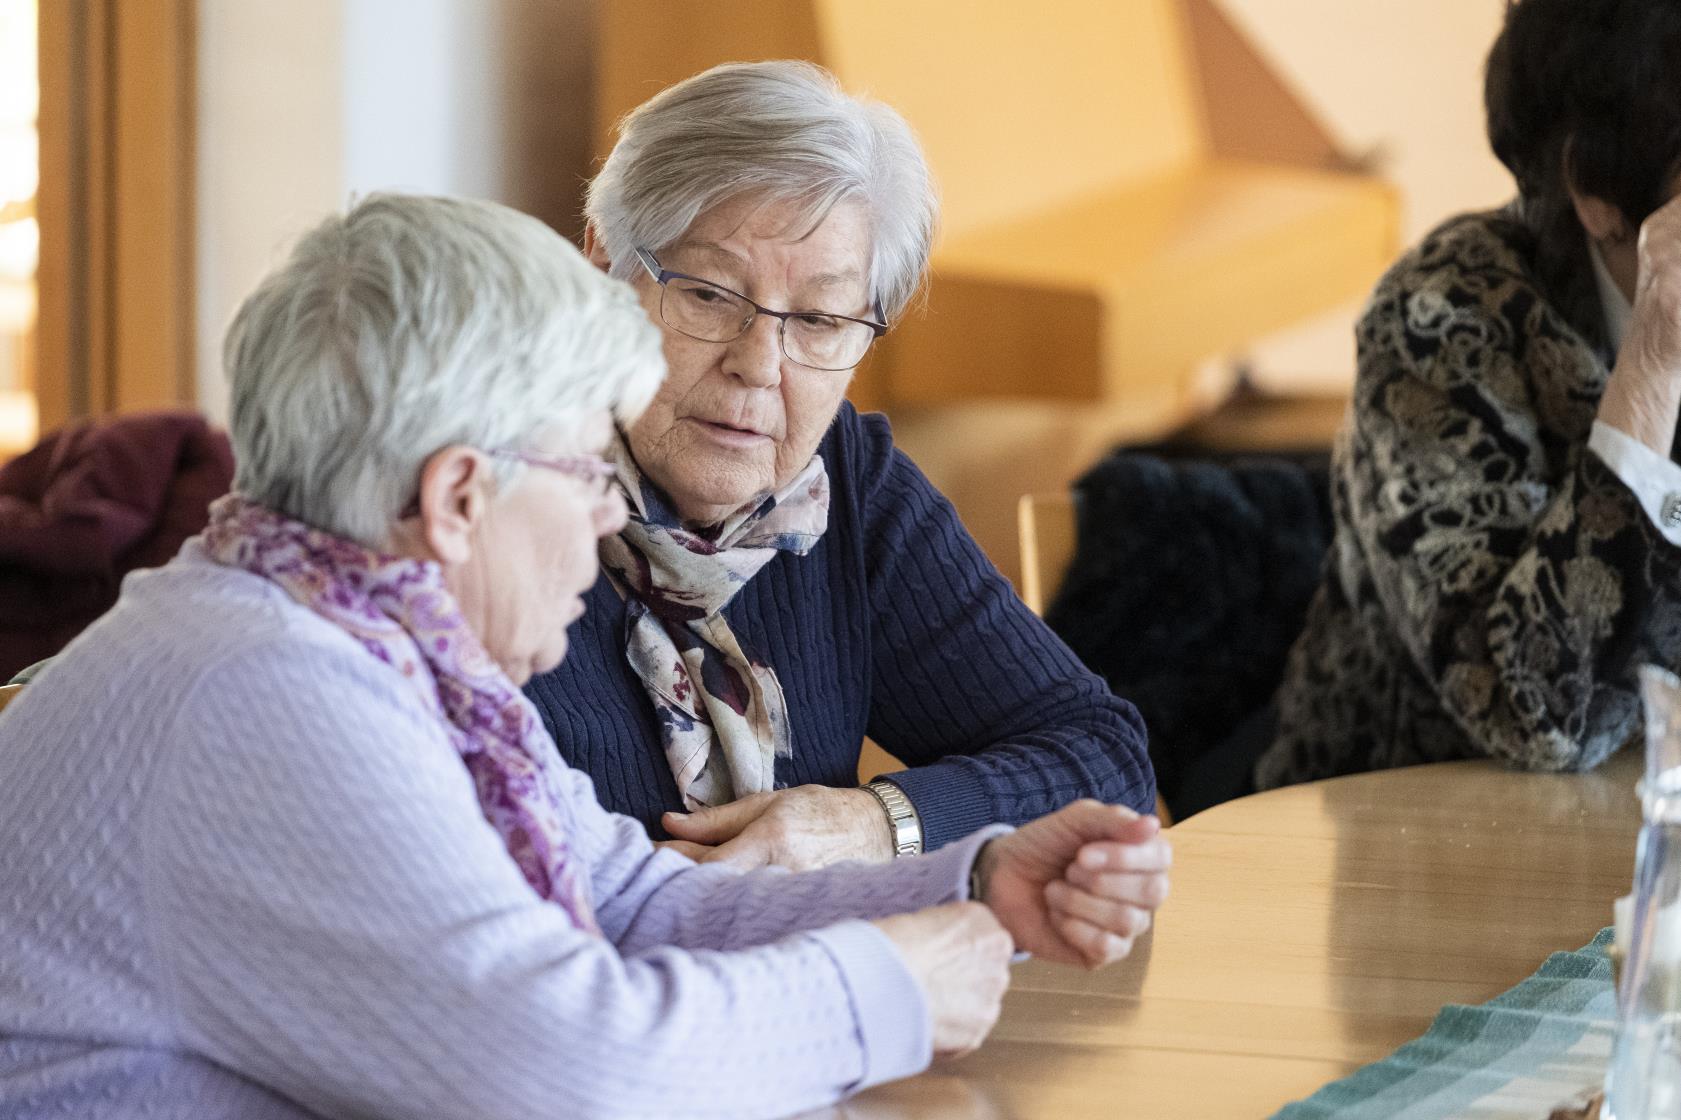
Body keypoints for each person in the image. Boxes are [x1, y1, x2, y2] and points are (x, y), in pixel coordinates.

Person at [0, 193, 1171, 1120]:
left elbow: (627, 895)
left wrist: (961, 882)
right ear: (458, 496)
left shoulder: (350, 636)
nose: (612, 519)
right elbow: (569, 1069)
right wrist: (889, 988)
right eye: (586, 475)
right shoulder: (265, 691)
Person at [524, 60, 1155, 871]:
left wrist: (874, 824)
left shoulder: (840, 485)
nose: (760, 365)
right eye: (709, 294)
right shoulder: (491, 497)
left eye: (819, 319)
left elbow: (1103, 761)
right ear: (602, 266)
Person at [1261, 0, 1681, 788]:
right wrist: (1657, 360)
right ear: (1593, 189)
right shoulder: (1441, 320)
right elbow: (1539, 720)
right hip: (1412, 841)